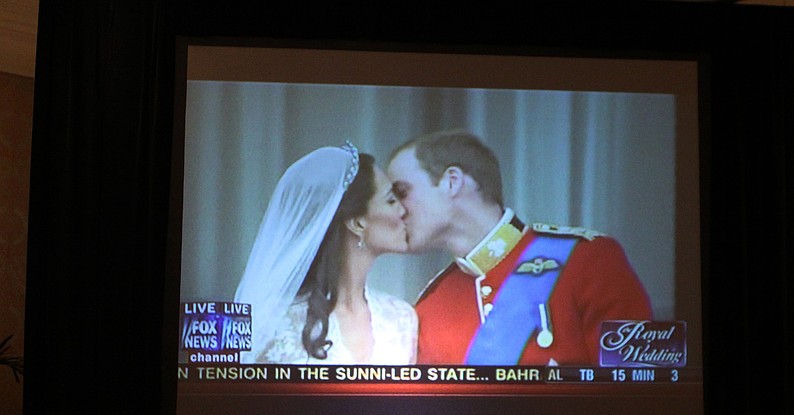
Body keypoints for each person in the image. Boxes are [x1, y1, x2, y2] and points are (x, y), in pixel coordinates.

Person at [386, 129, 653, 366]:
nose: (395, 210)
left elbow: (640, 392)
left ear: (452, 182)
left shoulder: (587, 259)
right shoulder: (431, 304)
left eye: (402, 192)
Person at [235, 142, 417, 364]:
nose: (404, 210)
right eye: (391, 201)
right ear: (357, 223)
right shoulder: (274, 323)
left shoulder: (401, 318)